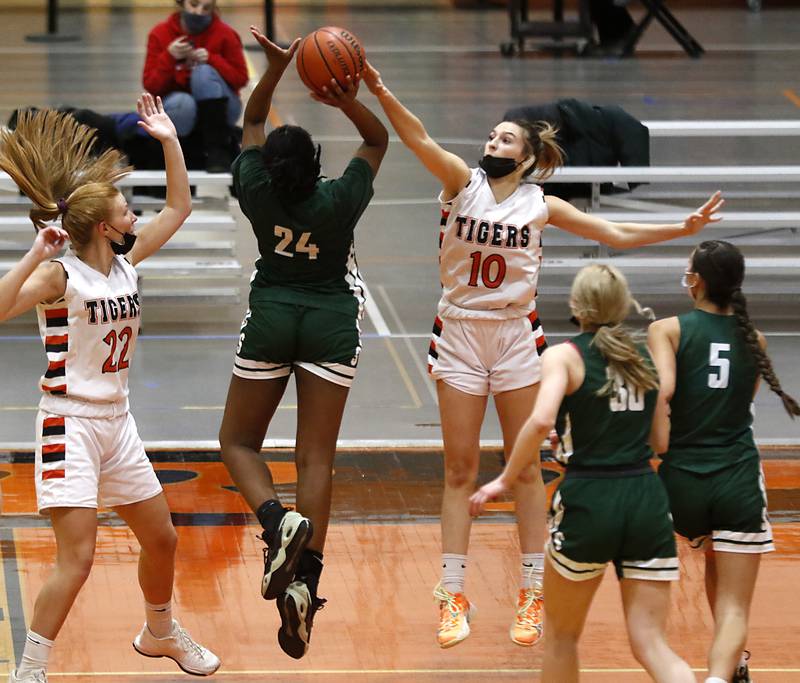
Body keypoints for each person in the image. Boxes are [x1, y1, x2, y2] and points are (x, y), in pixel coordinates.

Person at [360, 60, 723, 649]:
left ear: (527, 157)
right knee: (458, 469)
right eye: (491, 135)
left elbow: (615, 234)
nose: (491, 142)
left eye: (505, 138)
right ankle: (452, 592)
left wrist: (682, 226)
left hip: (513, 336)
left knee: (526, 467)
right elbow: (416, 136)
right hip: (459, 330)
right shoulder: (460, 182)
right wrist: (380, 87)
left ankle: (532, 591)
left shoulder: (542, 205)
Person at [0, 95, 220, 682]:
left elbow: (179, 208)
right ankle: (30, 671)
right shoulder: (59, 274)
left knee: (163, 538)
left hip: (118, 423)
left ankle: (160, 632)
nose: (134, 218)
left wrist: (170, 139)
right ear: (103, 226)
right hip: (67, 423)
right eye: (126, 212)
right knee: (77, 559)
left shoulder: (126, 264)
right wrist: (32, 254)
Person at [217, 27, 388, 660]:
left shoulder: (256, 191)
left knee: (237, 443)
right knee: (315, 457)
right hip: (330, 321)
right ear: (318, 166)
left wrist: (276, 69)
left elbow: (253, 118)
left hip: (272, 316)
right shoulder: (340, 198)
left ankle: (274, 522)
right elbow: (377, 139)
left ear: (270, 168)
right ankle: (305, 586)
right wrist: (342, 95)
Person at [470, 264, 695, 683]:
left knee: (561, 637)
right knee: (651, 643)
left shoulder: (565, 355)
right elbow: (660, 442)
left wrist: (505, 479)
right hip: (645, 497)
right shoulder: (645, 358)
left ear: (577, 306)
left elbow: (539, 422)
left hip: (590, 499)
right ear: (623, 305)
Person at [648, 240, 800, 683]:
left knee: (703, 564)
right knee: (735, 602)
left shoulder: (668, 329)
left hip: (683, 479)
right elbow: (741, 405)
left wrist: (662, 449)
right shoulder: (756, 338)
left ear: (696, 280)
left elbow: (662, 392)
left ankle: (730, 666)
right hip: (736, 478)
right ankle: (720, 676)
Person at [143, 0, 248, 171]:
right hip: (180, 109)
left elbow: (241, 78)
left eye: (206, 8)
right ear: (182, 3)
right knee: (184, 104)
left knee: (204, 73)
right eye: (193, 4)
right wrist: (169, 57)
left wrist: (213, 60)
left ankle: (217, 150)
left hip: (223, 108)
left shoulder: (226, 34)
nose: (199, 12)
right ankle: (181, 154)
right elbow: (151, 84)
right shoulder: (160, 33)